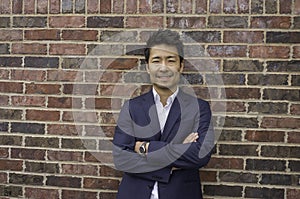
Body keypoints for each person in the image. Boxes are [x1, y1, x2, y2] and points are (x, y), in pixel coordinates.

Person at [112, 29, 214, 199]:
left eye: (171, 60)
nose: (163, 67)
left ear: (180, 66)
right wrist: (176, 154)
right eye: (157, 60)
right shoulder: (132, 107)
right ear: (148, 67)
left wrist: (146, 148)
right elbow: (121, 158)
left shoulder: (199, 108)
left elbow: (200, 155)